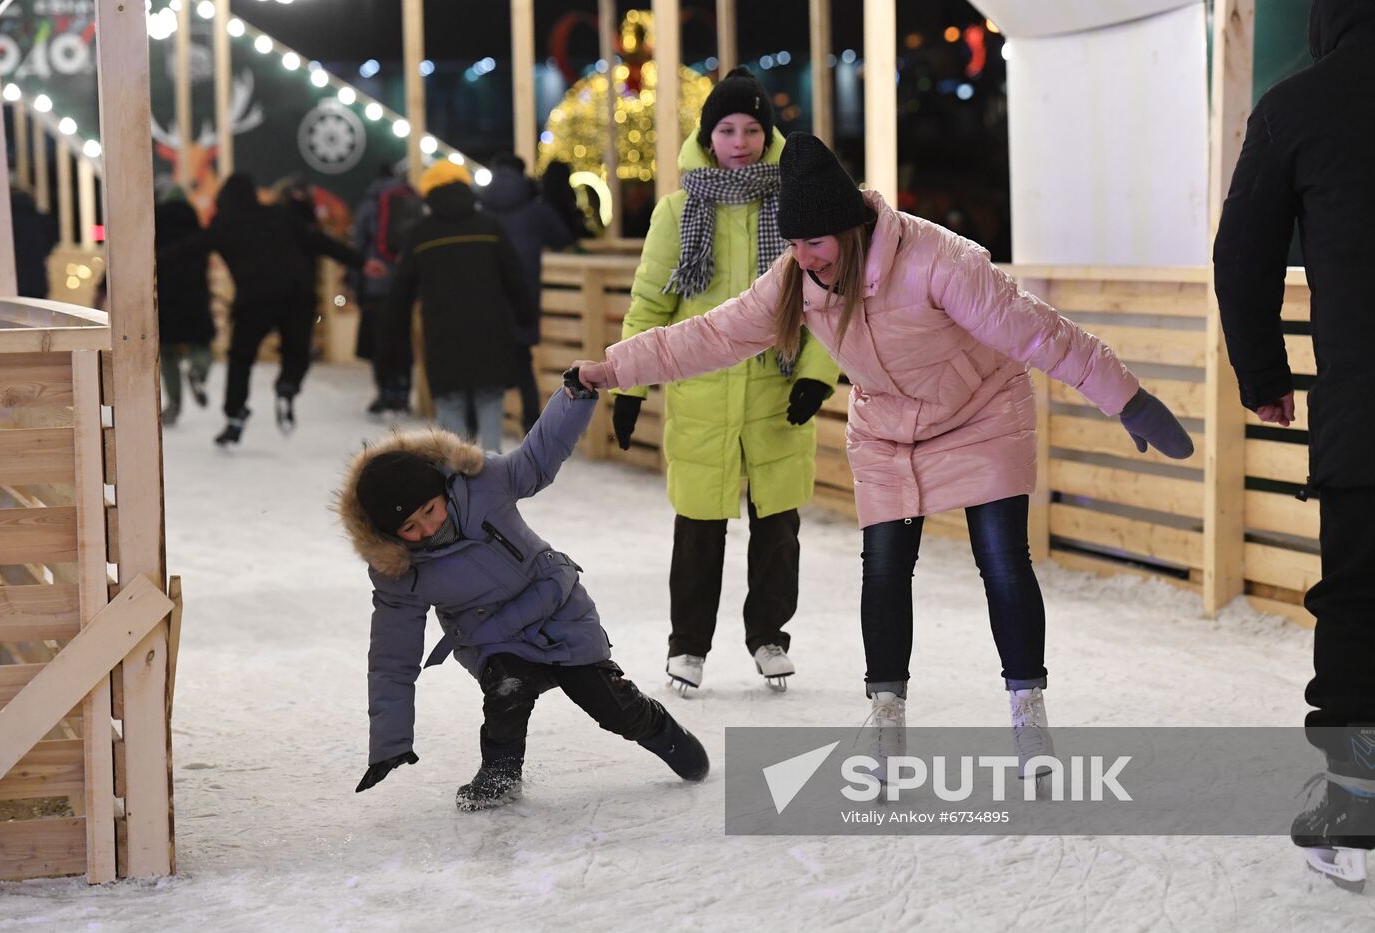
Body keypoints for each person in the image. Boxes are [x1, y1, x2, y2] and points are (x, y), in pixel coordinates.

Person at [575, 132, 1194, 774]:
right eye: (793, 243)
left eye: (813, 243)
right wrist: (613, 369)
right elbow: (708, 336)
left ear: (847, 228)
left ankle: (1027, 715)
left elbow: (1035, 329)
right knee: (885, 570)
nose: (803, 258)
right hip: (889, 433)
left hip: (981, 414)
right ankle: (887, 720)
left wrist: (1127, 398)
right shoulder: (798, 278)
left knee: (1003, 563)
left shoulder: (936, 259)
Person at [337, 379, 709, 810]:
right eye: (410, 529)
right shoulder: (398, 572)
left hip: (557, 609)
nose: (426, 529)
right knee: (506, 690)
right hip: (493, 637)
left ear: (442, 491)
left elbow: (539, 456)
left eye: (429, 512)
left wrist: (576, 396)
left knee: (612, 707)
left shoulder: (483, 483)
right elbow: (391, 659)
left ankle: (664, 733)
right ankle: (500, 773)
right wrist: (390, 741)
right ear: (390, 534)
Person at [1212, 0, 1375, 886]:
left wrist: (1266, 374)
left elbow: (1242, 259)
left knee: (1358, 606)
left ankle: (1353, 810)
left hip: (1365, 420)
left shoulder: (1297, 105)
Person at [614, 67, 841, 695]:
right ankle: (687, 646)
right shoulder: (678, 209)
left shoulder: (796, 206)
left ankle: (769, 637)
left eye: (751, 128)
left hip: (776, 389)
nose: (739, 141)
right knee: (698, 527)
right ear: (708, 137)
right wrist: (630, 384)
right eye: (726, 129)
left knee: (777, 526)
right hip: (703, 394)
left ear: (768, 135)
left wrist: (818, 377)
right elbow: (650, 306)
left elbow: (824, 296)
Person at [201, 173, 379, 446]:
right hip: (297, 294)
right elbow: (319, 242)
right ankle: (289, 384)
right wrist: (361, 262)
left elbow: (191, 250)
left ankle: (235, 414)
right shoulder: (279, 214)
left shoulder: (223, 224)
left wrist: (156, 259)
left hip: (254, 299)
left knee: (241, 358)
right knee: (296, 350)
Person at [390, 160, 530, 452]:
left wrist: (395, 333)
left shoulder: (422, 233)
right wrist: (525, 315)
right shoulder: (489, 226)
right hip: (489, 332)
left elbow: (401, 288)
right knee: (489, 400)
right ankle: (492, 477)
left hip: (443, 335)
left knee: (450, 405)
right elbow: (514, 275)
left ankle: (456, 481)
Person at [478, 153, 578, 432]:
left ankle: (483, 428)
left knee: (485, 362)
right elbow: (563, 238)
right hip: (523, 294)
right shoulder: (536, 208)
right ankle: (530, 422)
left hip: (488, 297)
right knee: (523, 363)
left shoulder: (480, 207)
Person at [353, 165, 422, 417]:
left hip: (377, 283)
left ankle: (385, 392)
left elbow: (359, 245)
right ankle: (403, 392)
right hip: (405, 283)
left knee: (381, 340)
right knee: (402, 337)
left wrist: (357, 285)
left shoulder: (370, 203)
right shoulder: (409, 198)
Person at [154, 193, 215, 426]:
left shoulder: (155, 237)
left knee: (167, 352)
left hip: (166, 301)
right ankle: (198, 372)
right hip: (195, 299)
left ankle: (174, 403)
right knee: (201, 345)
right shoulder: (199, 237)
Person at [10, 188, 56, 300]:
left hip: (14, 279)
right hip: (37, 279)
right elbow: (51, 241)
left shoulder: (8, 221)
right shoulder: (41, 220)